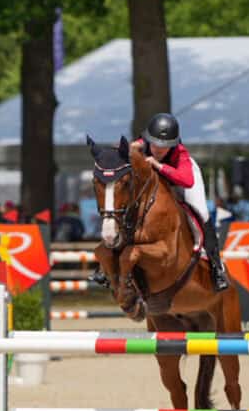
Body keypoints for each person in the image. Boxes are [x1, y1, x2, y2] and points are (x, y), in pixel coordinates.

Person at [92, 113, 229, 292]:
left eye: (164, 146)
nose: (158, 149)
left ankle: (216, 267)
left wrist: (159, 165)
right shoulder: (141, 144)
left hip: (180, 180)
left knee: (202, 212)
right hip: (157, 183)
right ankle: (107, 263)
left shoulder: (181, 153)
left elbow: (186, 180)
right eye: (155, 143)